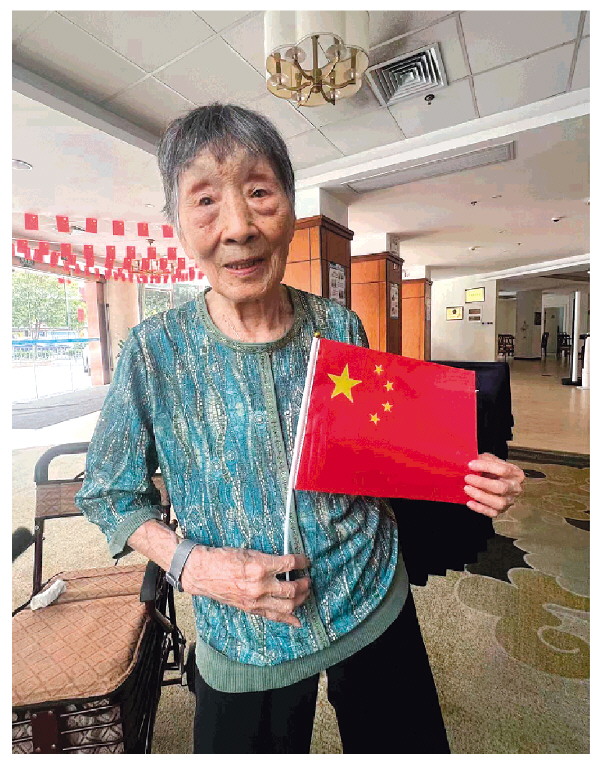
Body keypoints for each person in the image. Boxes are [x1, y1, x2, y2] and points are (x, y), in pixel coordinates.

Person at [75, 103, 525, 754]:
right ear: (177, 225)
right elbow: (108, 493)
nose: (238, 226)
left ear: (289, 206)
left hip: (370, 596)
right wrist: (194, 567)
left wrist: (467, 473)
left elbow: (379, 452)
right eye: (206, 201)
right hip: (244, 635)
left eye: (260, 192)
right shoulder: (153, 353)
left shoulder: (339, 326)